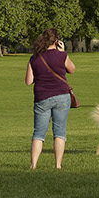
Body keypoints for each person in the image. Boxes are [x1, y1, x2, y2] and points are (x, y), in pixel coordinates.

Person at [24, 27, 75, 170]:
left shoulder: (34, 58)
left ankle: (33, 165)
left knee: (39, 133)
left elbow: (28, 81)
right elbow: (72, 69)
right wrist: (63, 52)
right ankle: (58, 165)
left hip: (42, 98)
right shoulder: (61, 55)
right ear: (57, 40)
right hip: (61, 96)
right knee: (59, 131)